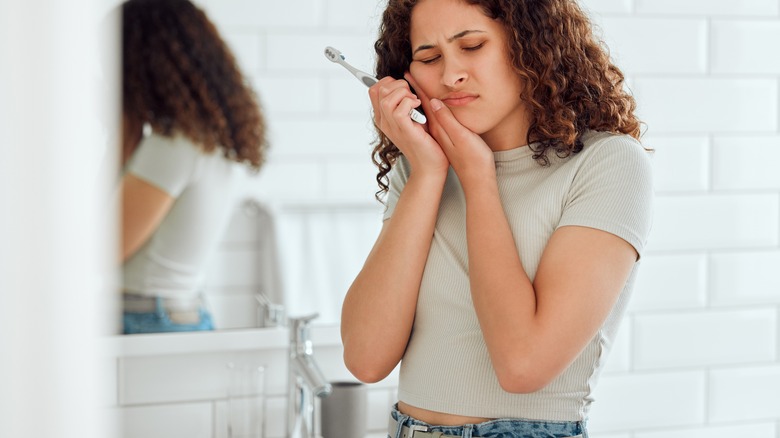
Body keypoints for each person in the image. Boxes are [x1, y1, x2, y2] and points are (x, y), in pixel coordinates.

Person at [341, 0, 653, 436]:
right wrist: (429, 173)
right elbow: (366, 357)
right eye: (429, 57)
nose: (451, 76)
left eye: (471, 46)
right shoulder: (418, 168)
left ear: (531, 46)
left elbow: (522, 365)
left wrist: (478, 178)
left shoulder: (608, 163)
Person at [119, 0, 267, 334]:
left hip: (144, 319)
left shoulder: (171, 146)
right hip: (174, 315)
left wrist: (121, 127)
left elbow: (101, 248)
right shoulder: (208, 139)